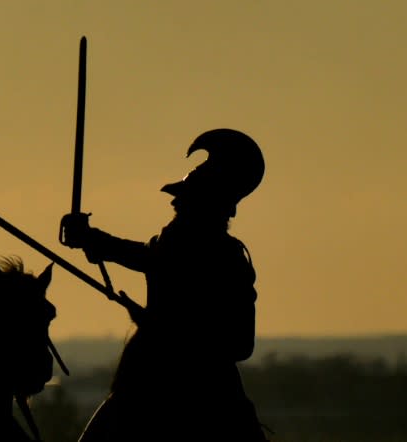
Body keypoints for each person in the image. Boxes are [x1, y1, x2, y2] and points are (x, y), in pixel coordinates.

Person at [60, 128, 270, 441]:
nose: (175, 209)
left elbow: (241, 344)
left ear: (206, 206)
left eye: (183, 203)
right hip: (155, 381)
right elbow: (148, 256)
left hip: (205, 392)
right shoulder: (178, 248)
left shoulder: (225, 260)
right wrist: (93, 239)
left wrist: (166, 330)